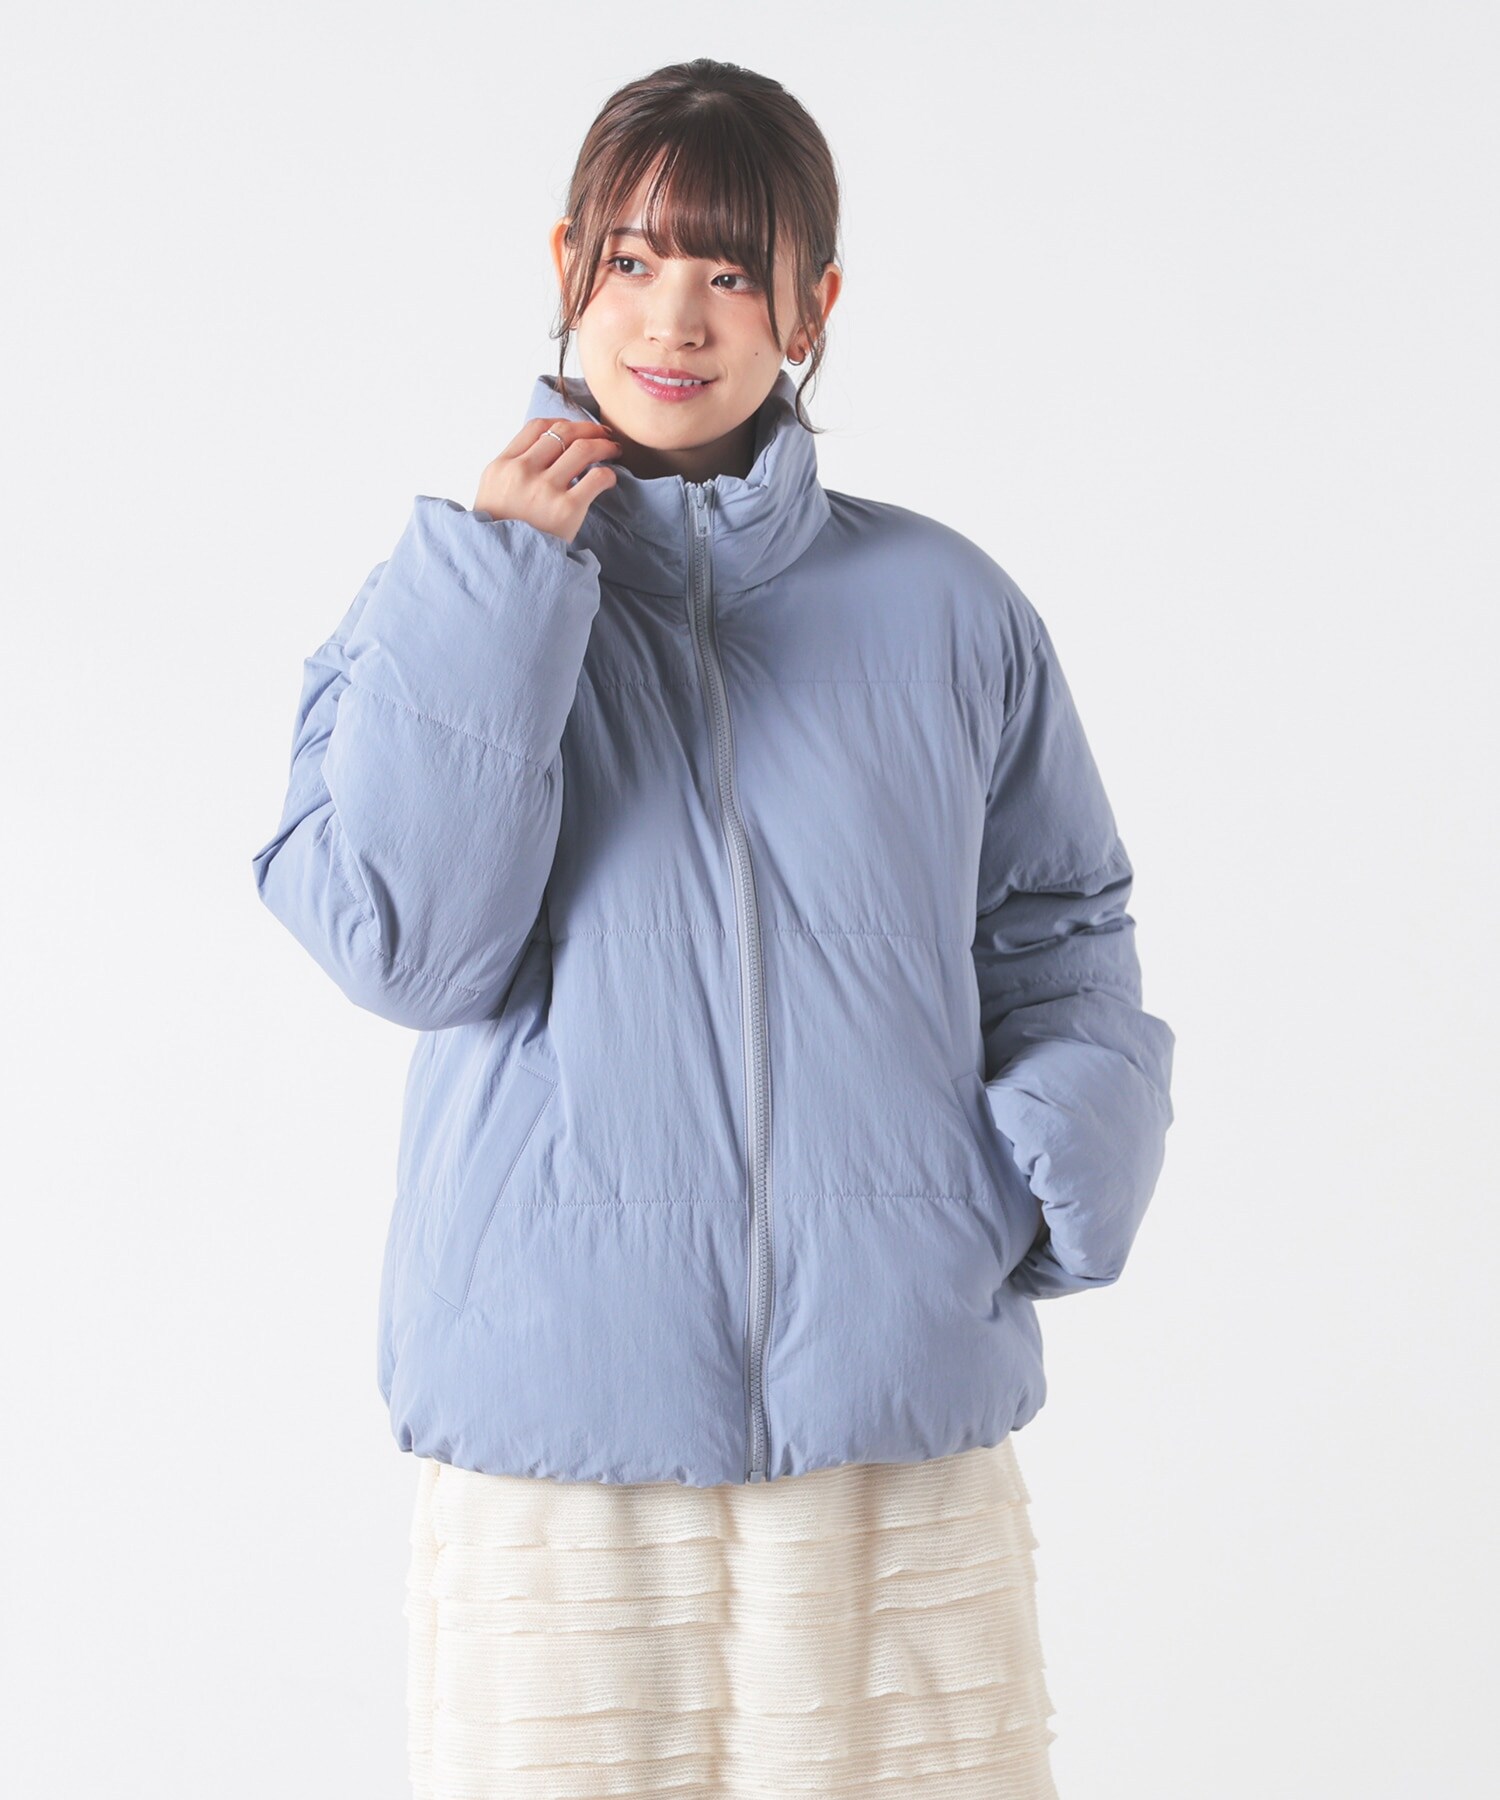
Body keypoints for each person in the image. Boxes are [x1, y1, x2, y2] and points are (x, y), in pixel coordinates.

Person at [250, 56, 1175, 1800]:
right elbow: (408, 950)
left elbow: (1059, 925)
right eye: (632, 258)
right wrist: (501, 590)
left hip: (888, 1447)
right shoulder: (436, 608)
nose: (674, 315)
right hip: (560, 1450)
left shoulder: (948, 605)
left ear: (813, 307)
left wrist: (1039, 1173)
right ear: (568, 266)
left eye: (733, 269)